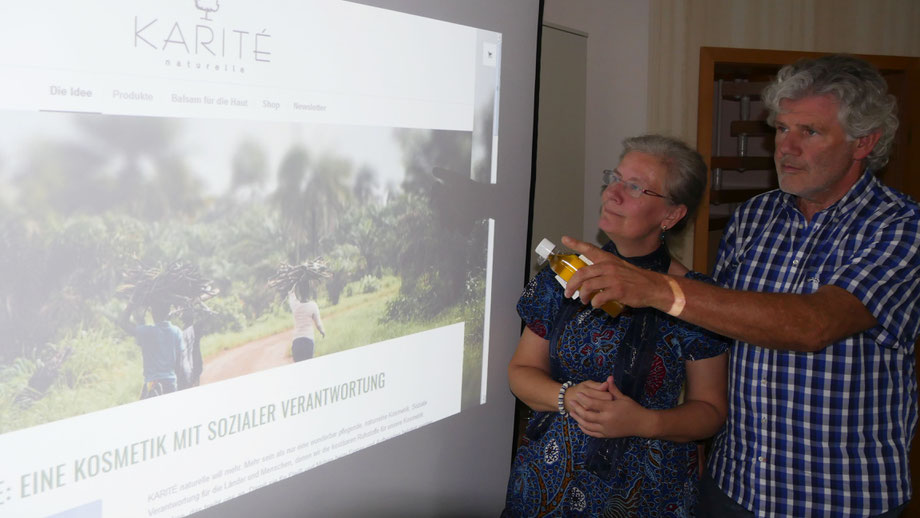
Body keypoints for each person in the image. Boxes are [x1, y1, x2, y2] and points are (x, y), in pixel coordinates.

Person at [560, 54, 920, 517]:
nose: (786, 148)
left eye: (809, 132)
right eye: (781, 129)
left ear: (863, 142)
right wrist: (631, 265)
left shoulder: (901, 227)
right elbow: (718, 320)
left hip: (838, 497)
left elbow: (814, 324)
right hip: (734, 486)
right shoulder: (755, 216)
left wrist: (654, 288)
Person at [502, 134, 729, 517]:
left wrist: (645, 421)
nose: (613, 193)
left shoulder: (693, 298)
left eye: (636, 187)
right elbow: (520, 372)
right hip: (547, 483)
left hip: (646, 493)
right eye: (615, 178)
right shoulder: (563, 274)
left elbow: (710, 410)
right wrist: (566, 397)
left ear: (672, 215)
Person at [119, 300, 186, 399]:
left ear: (153, 313)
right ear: (169, 312)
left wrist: (132, 302)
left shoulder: (146, 331)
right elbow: (179, 364)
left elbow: (123, 323)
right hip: (171, 383)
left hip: (152, 384)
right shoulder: (177, 332)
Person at [288, 281, 325, 362]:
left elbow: (291, 292)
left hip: (296, 342)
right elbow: (318, 324)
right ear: (309, 291)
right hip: (308, 341)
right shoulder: (313, 305)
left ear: (299, 292)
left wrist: (296, 282)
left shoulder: (295, 305)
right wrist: (322, 332)